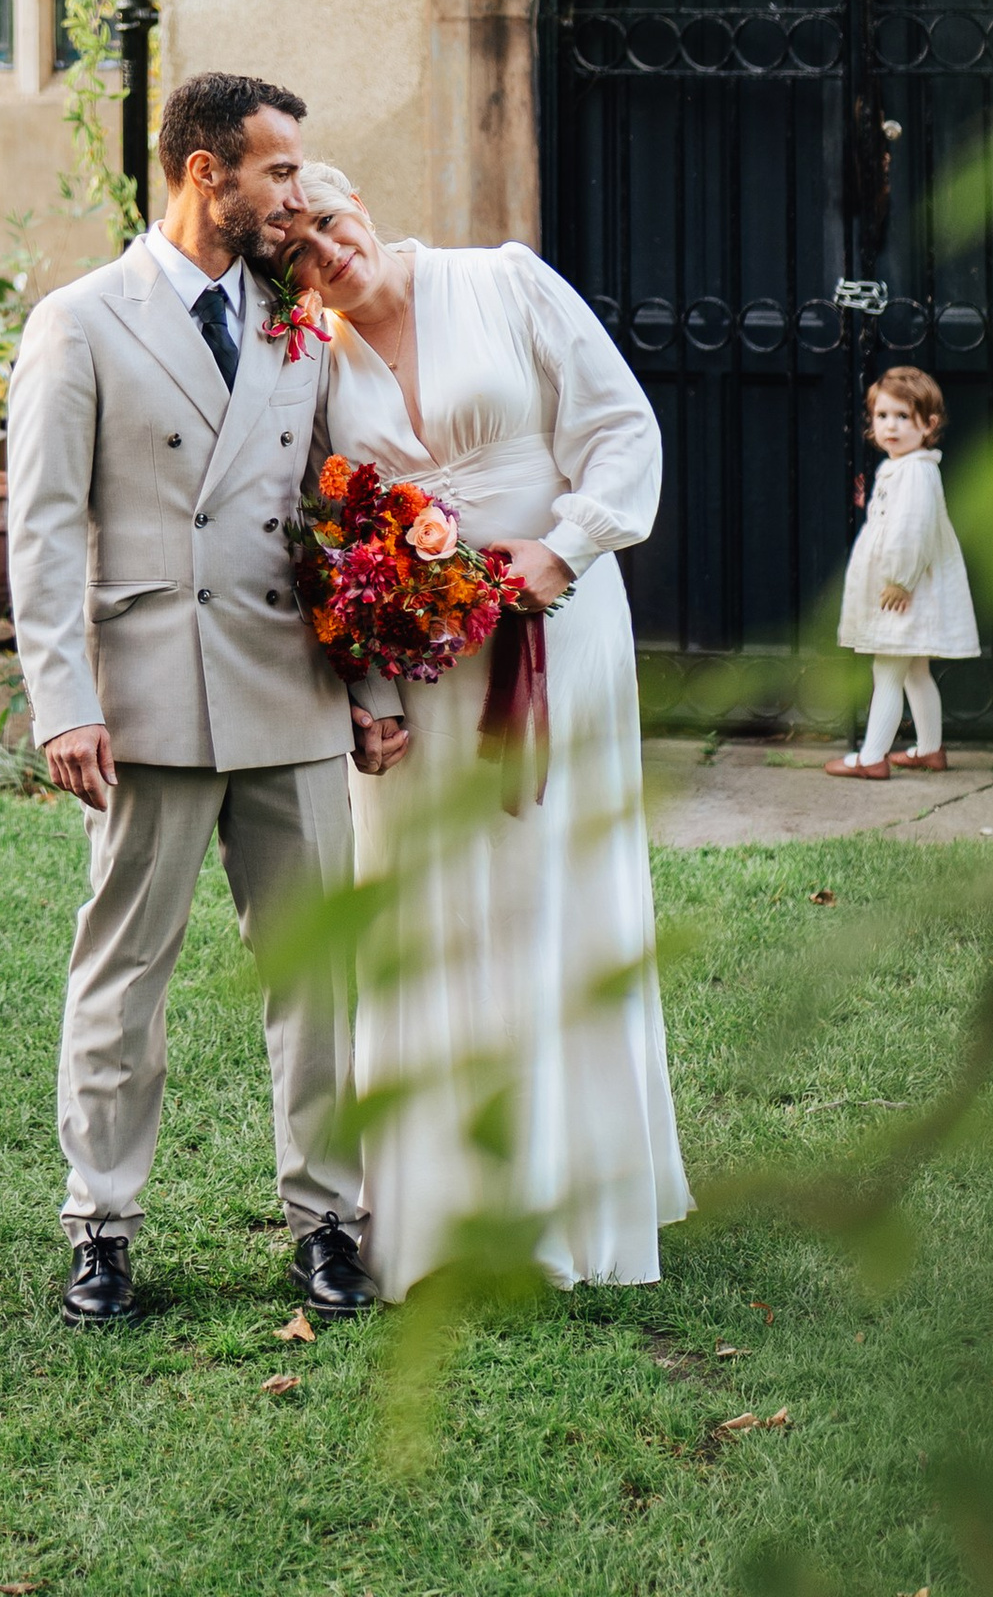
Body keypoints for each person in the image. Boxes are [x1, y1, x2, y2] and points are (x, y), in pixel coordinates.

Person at [5, 71, 401, 1330]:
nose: (296, 193)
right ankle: (101, 1226)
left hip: (289, 684)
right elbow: (42, 528)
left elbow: (341, 513)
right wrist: (64, 701)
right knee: (124, 973)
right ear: (203, 173)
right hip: (148, 697)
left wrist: (372, 682)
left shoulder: (296, 322)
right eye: (278, 172)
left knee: (317, 978)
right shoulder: (83, 320)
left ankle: (327, 1221)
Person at [279, 164, 691, 1299]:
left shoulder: (504, 282)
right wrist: (372, 686)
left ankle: (569, 1200)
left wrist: (563, 549)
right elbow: (323, 535)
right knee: (428, 906)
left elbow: (620, 428)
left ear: (360, 204)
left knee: (553, 885)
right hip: (423, 672)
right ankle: (440, 1209)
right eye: (298, 252)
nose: (327, 254)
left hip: (558, 625)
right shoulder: (313, 364)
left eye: (330, 222)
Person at [825, 364, 979, 777]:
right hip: (909, 588)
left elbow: (913, 530)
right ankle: (929, 749)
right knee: (915, 670)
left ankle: (872, 758)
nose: (890, 426)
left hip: (906, 590)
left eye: (903, 416)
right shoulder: (905, 467)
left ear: (928, 425)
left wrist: (900, 579)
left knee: (887, 670)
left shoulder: (915, 471)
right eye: (882, 415)